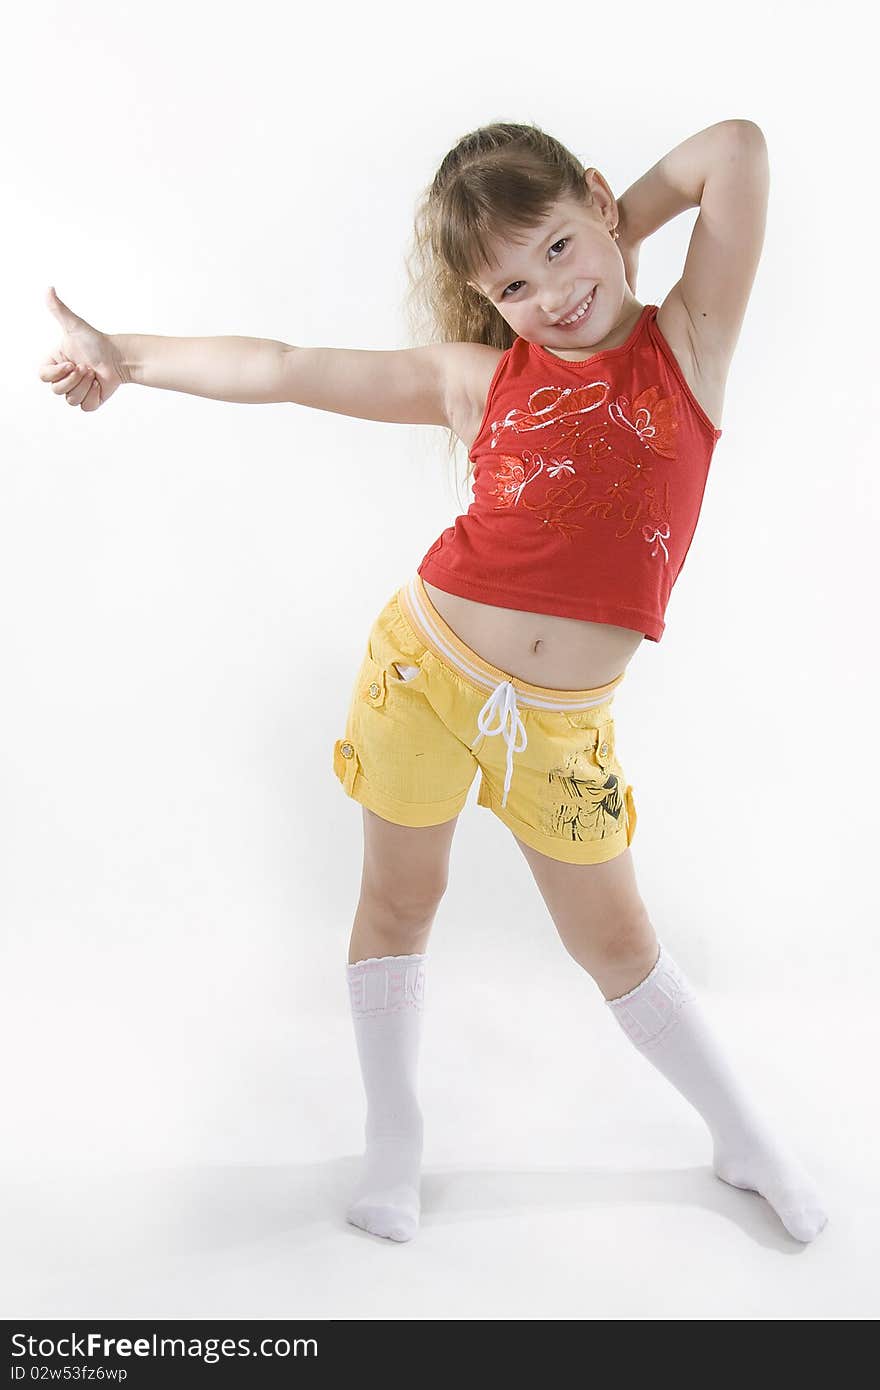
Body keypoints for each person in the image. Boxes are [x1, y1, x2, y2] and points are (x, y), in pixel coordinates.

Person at [39, 118, 827, 1249]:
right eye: (511, 282)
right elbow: (288, 367)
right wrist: (127, 354)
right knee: (400, 905)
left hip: (558, 731)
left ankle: (743, 1133)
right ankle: (395, 1140)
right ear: (486, 304)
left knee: (617, 941)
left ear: (598, 204)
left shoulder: (687, 348)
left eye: (557, 248)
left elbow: (739, 151)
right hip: (421, 674)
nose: (549, 294)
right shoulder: (481, 379)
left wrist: (611, 230)